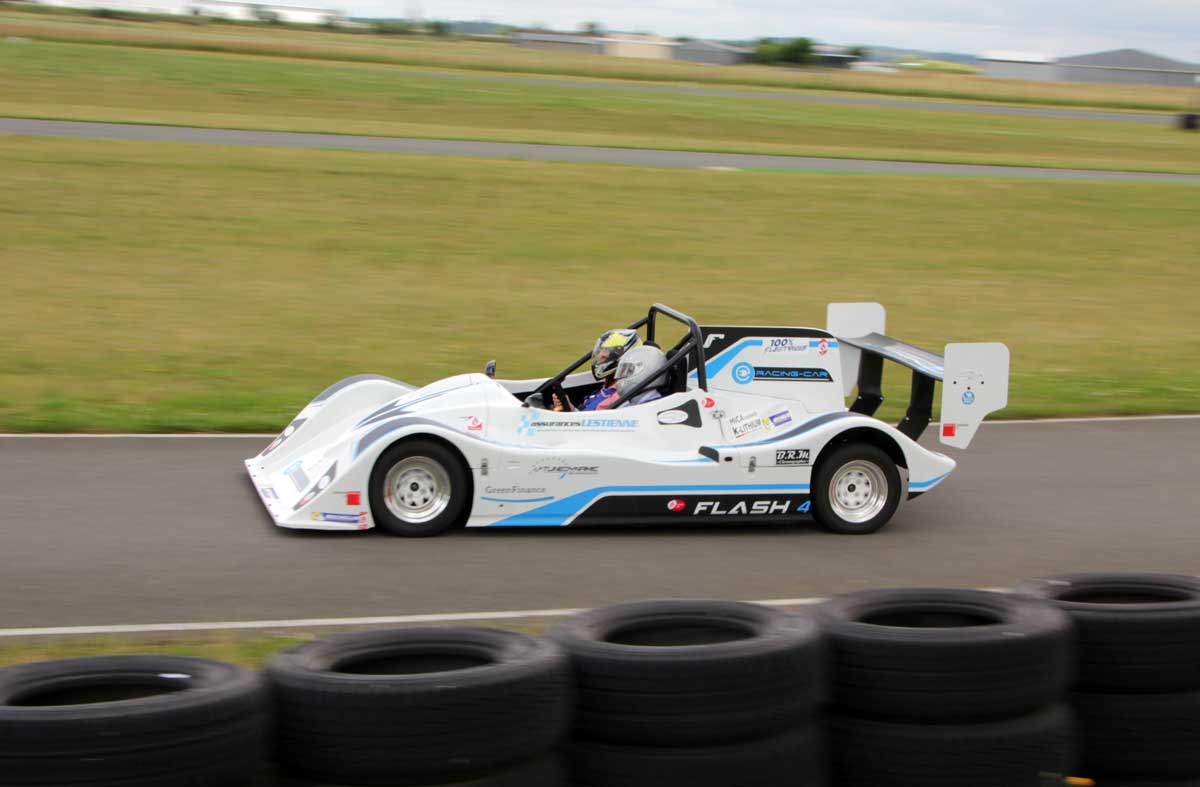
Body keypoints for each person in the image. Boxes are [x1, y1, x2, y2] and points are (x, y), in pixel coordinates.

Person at [552, 328, 640, 411]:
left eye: (606, 354)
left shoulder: (620, 396)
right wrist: (568, 406)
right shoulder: (608, 384)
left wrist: (569, 409)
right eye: (602, 350)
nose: (600, 356)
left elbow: (590, 423)